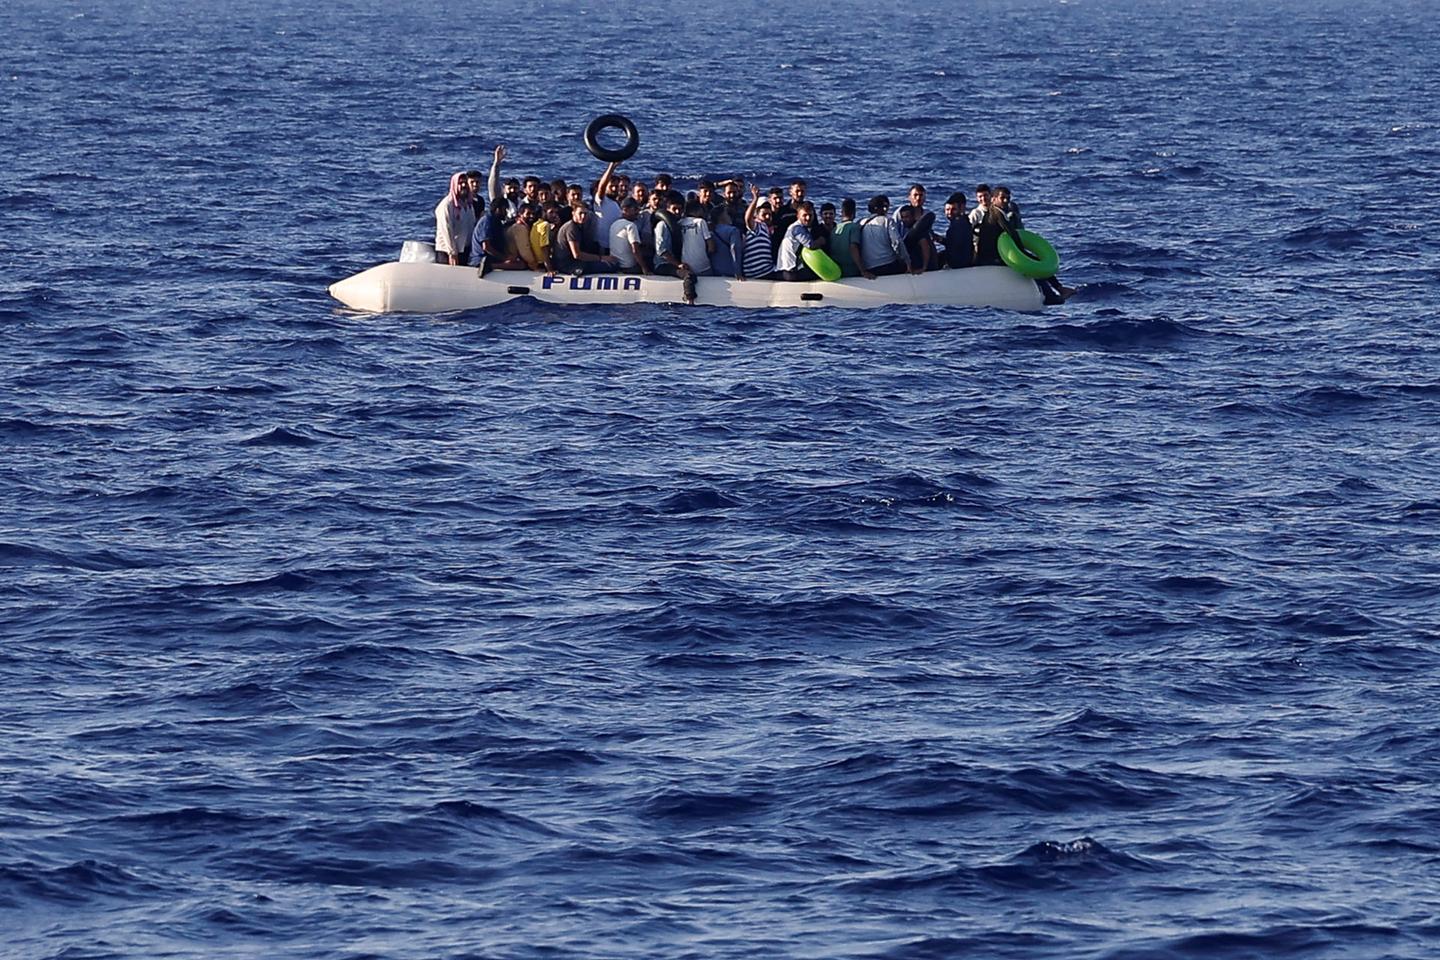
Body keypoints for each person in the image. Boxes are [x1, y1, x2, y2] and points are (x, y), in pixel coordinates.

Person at [652, 191, 697, 303]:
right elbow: (661, 251)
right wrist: (678, 265)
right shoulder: (662, 225)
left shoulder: (679, 224)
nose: (677, 212)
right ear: (668, 209)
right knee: (689, 275)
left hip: (673, 262)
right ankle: (689, 299)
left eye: (680, 209)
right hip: (662, 265)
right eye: (674, 209)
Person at [851, 195, 910, 278]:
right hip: (888, 265)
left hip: (868, 267)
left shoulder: (860, 222)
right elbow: (897, 242)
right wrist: (907, 261)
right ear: (884, 208)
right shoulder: (887, 220)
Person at [554, 204, 618, 275]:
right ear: (573, 213)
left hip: (574, 262)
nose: (583, 216)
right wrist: (602, 258)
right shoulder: (571, 228)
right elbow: (577, 255)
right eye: (580, 213)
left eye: (585, 213)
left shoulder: (581, 226)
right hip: (568, 265)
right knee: (612, 266)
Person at [774, 200, 825, 281]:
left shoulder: (801, 227)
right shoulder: (797, 228)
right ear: (798, 216)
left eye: (810, 215)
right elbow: (811, 245)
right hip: (789, 272)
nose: (808, 218)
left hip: (789, 270)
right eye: (804, 215)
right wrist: (822, 240)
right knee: (820, 273)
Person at [434, 171, 477, 266]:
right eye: (460, 183)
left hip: (463, 250)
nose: (463, 185)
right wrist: (452, 252)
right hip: (447, 252)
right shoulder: (447, 205)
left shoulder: (469, 204)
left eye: (465, 183)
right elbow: (446, 230)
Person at [741, 185, 775, 281]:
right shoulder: (757, 226)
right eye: (764, 214)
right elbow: (747, 218)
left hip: (766, 269)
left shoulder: (766, 229)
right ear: (756, 214)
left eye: (769, 214)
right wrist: (755, 199)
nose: (768, 217)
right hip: (759, 272)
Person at [468, 197, 510, 274]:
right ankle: (489, 267)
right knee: (519, 265)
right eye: (505, 210)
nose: (506, 213)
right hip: (481, 260)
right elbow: (487, 247)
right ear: (498, 209)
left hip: (491, 258)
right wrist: (505, 258)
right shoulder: (487, 221)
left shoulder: (497, 222)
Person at [608, 198, 649, 274]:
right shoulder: (631, 226)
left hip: (616, 266)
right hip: (629, 268)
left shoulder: (613, 224)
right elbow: (635, 250)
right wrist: (645, 269)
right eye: (635, 209)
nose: (638, 212)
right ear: (625, 210)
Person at [591, 161, 623, 253]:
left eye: (616, 186)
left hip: (614, 244)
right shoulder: (601, 200)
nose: (614, 189)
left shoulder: (616, 203)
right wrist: (611, 167)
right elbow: (602, 186)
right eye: (611, 186)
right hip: (601, 247)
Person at [679, 199, 715, 276]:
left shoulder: (679, 223)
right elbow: (711, 247)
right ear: (698, 209)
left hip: (686, 266)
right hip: (703, 266)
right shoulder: (701, 222)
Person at [941, 193, 974, 268]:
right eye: (947, 210)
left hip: (959, 265)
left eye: (954, 209)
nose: (949, 213)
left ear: (961, 208)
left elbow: (954, 246)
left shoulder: (959, 224)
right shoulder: (964, 221)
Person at [897, 205, 933, 273]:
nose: (904, 220)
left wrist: (924, 268)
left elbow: (925, 247)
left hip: (921, 269)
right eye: (902, 217)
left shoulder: (918, 231)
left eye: (907, 217)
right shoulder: (908, 230)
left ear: (913, 216)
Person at [506, 203, 542, 271]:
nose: (531, 216)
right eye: (528, 214)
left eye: (533, 214)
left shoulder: (525, 227)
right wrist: (535, 265)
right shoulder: (519, 228)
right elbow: (525, 252)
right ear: (520, 214)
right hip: (513, 262)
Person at [531, 202, 562, 276]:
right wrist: (549, 269)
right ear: (544, 212)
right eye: (551, 212)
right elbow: (544, 247)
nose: (554, 215)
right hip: (542, 262)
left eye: (556, 212)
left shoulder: (536, 224)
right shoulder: (545, 225)